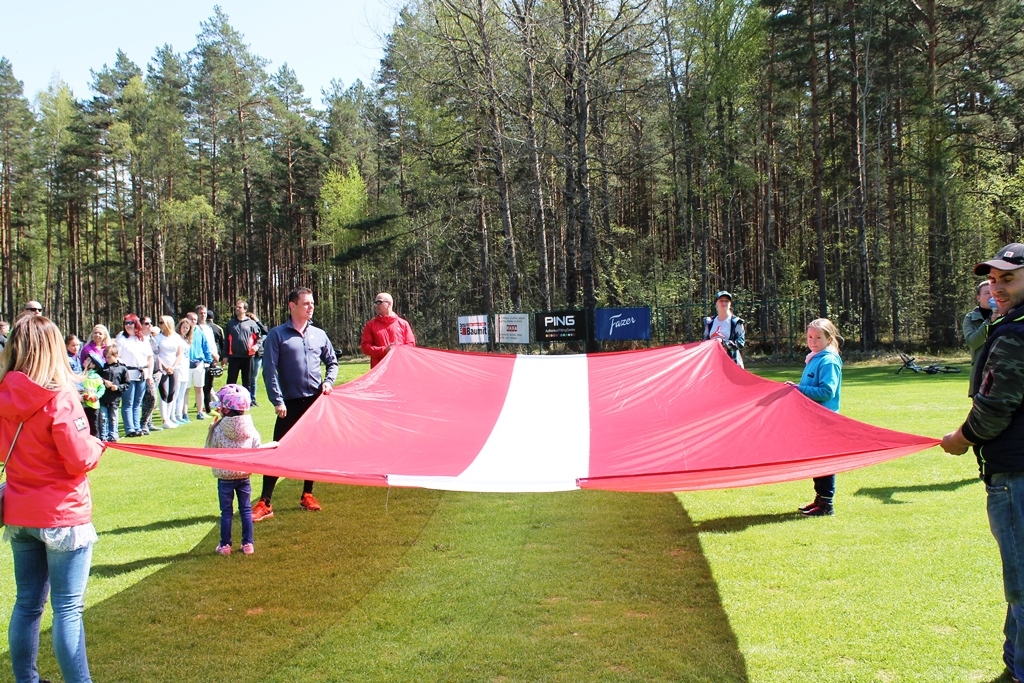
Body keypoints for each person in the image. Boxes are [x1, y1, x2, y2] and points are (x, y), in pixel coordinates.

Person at [0, 314, 105, 683]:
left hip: (20, 513)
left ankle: (25, 679)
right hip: (62, 514)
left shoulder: (4, 394)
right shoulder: (60, 398)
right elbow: (79, 459)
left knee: (27, 604)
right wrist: (96, 445)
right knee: (67, 609)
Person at [942, 243, 1024, 683]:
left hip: (1014, 475)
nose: (997, 288)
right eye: (993, 281)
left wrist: (960, 439)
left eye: (1007, 279)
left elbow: (993, 410)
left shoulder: (1013, 335)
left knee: (1023, 586)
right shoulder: (1006, 325)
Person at [254, 287, 338, 520]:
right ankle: (265, 502)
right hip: (288, 404)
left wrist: (329, 382)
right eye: (306, 303)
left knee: (311, 449)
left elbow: (332, 363)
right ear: (292, 306)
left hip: (314, 403)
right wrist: (277, 400)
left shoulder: (319, 334)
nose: (311, 307)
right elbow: (269, 371)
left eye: (312, 303)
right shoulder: (277, 335)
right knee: (276, 450)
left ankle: (307, 495)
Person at [787, 317, 843, 517]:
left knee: (825, 461)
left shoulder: (828, 360)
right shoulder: (814, 357)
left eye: (818, 337)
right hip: (813, 420)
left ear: (829, 339)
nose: (813, 341)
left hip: (825, 420)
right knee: (817, 460)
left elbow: (827, 391)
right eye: (810, 336)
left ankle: (827, 504)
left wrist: (799, 390)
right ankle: (819, 499)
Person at [207, 384, 261, 555]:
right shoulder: (249, 427)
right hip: (243, 475)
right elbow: (256, 446)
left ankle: (225, 545)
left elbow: (209, 449)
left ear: (224, 408)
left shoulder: (218, 428)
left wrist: (210, 430)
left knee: (226, 512)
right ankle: (248, 544)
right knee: (245, 509)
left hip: (224, 476)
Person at [114, 314, 154, 437]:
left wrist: (149, 375)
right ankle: (130, 429)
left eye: (131, 323)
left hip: (142, 373)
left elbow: (149, 357)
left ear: (136, 324)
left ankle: (137, 427)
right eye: (126, 323)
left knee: (138, 402)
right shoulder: (121, 339)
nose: (128, 326)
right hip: (128, 374)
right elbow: (117, 356)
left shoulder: (142, 339)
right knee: (128, 402)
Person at [225, 300, 267, 406]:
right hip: (234, 357)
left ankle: (246, 403)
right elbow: (226, 341)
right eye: (236, 307)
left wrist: (257, 346)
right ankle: (228, 402)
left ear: (245, 309)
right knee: (231, 382)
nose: (237, 309)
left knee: (247, 382)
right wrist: (225, 355)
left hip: (248, 357)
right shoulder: (230, 324)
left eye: (239, 307)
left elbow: (260, 337)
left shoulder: (252, 323)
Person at [360, 292, 416, 369]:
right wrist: (384, 350)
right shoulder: (370, 325)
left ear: (389, 304)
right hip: (379, 370)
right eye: (375, 303)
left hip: (400, 368)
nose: (376, 306)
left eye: (379, 302)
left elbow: (411, 345)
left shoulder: (403, 324)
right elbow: (365, 347)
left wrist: (398, 349)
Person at [964, 280, 996, 396]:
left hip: (1002, 375)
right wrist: (990, 321)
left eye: (993, 292)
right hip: (980, 374)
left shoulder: (1008, 315)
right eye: (987, 293)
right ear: (978, 297)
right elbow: (973, 342)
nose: (991, 296)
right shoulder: (971, 318)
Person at [152, 316, 184, 430]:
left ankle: (169, 417)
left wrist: (173, 367)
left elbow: (179, 354)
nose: (160, 324)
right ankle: (164, 419)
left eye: (162, 323)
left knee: (172, 392)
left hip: (174, 367)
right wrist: (165, 367)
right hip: (162, 368)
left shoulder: (176, 337)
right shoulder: (158, 338)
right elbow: (157, 354)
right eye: (159, 322)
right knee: (164, 392)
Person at [702, 291, 746, 367]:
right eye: (721, 300)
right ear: (716, 303)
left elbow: (740, 343)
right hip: (713, 364)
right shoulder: (709, 322)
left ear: (730, 304)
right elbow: (704, 343)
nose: (724, 303)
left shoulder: (736, 322)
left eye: (727, 301)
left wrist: (723, 342)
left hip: (732, 364)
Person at [195, 306, 222, 416]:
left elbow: (212, 343)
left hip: (212, 359)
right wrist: (211, 354)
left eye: (205, 313)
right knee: (204, 385)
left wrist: (216, 356)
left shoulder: (209, 328)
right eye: (201, 313)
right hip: (204, 359)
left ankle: (210, 406)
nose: (203, 315)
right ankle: (207, 408)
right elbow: (202, 345)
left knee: (210, 385)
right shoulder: (197, 328)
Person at [98, 345, 129, 442]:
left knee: (113, 417)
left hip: (114, 399)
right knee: (102, 417)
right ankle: (103, 435)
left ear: (115, 355)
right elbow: (96, 377)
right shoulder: (102, 368)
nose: (106, 359)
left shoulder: (122, 369)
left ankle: (114, 435)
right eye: (105, 357)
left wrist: (118, 387)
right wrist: (104, 381)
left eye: (109, 357)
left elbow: (127, 384)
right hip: (103, 398)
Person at [172, 319, 194, 424]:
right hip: (178, 368)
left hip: (186, 368)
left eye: (187, 328)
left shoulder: (186, 340)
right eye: (183, 327)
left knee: (182, 393)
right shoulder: (176, 338)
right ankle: (172, 416)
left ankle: (179, 415)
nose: (185, 329)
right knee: (175, 393)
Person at [79, 351, 105, 437]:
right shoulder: (82, 374)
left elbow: (102, 388)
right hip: (82, 404)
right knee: (82, 426)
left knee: (93, 426)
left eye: (88, 360)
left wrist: (96, 396)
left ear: (93, 365)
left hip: (93, 405)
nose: (85, 360)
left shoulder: (96, 377)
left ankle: (95, 442)